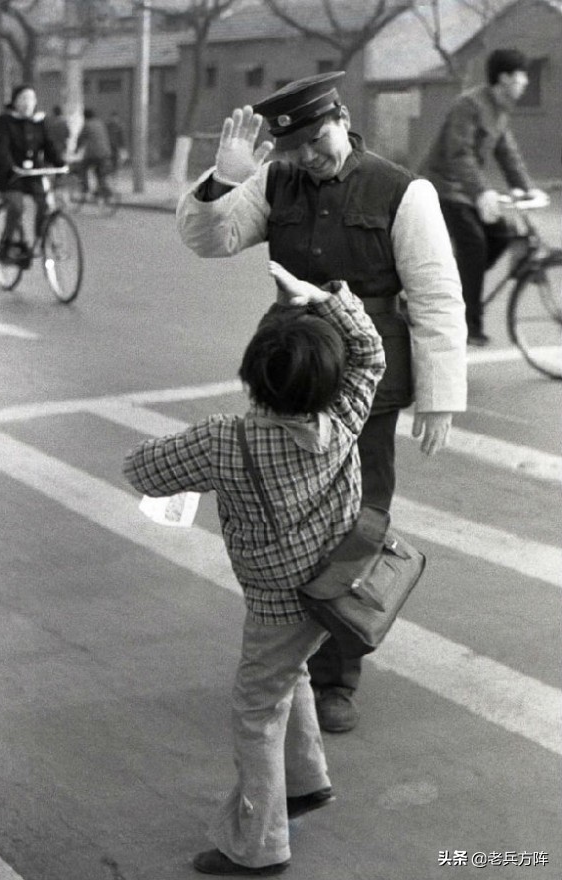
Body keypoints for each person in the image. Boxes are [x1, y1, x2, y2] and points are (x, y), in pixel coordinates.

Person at [176, 71, 467, 734]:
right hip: (292, 379)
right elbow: (208, 240)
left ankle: (336, 677)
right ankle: (293, 656)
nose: (307, 157)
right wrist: (221, 182)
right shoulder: (275, 183)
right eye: (294, 149)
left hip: (370, 384)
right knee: (287, 521)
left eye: (316, 140)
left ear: (340, 117)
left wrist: (441, 396)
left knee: (356, 525)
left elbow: (435, 295)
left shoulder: (401, 189)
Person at [123, 261, 386, 876]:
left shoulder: (225, 440)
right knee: (288, 676)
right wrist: (323, 298)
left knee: (255, 708)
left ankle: (258, 846)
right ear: (330, 377)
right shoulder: (345, 417)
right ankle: (305, 782)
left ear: (253, 374)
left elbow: (141, 469)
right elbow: (370, 352)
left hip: (273, 602)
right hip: (336, 589)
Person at [420, 48, 548, 346]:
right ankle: (466, 323)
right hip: (442, 187)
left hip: (466, 190)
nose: (526, 81)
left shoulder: (500, 110)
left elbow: (507, 154)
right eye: (521, 76)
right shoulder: (470, 105)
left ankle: (453, 284)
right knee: (474, 245)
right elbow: (458, 153)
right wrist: (482, 191)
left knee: (501, 235)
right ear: (504, 78)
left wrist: (527, 188)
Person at [0, 84, 64, 263]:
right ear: (14, 102)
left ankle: (39, 240)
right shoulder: (5, 121)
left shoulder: (40, 121)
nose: (27, 103)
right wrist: (9, 165)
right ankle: (7, 244)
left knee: (45, 204)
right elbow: (1, 148)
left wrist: (60, 164)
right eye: (22, 98)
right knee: (17, 206)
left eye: (31, 98)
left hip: (33, 173)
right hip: (12, 174)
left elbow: (49, 146)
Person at [76, 107, 113, 198]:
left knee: (82, 167)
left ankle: (85, 187)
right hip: (106, 152)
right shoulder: (100, 123)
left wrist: (76, 149)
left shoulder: (87, 124)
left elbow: (80, 138)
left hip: (94, 153)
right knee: (99, 170)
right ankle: (101, 188)